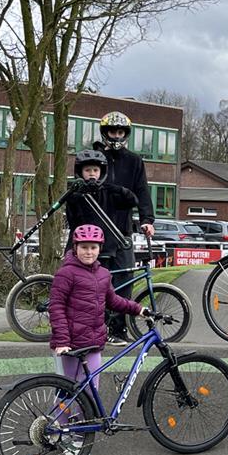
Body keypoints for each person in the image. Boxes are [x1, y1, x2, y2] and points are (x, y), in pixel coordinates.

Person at [48, 224, 150, 455]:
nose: (88, 252)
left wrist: (138, 309)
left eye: (93, 247)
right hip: (70, 346)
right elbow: (56, 307)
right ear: (75, 248)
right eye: (84, 247)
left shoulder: (103, 274)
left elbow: (113, 301)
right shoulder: (66, 273)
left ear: (99, 249)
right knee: (68, 392)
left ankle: (78, 439)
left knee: (90, 394)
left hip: (93, 345)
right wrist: (62, 341)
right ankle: (58, 432)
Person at [92, 111, 155, 346]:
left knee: (125, 279)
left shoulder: (134, 161)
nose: (116, 136)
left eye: (120, 132)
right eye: (112, 131)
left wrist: (147, 219)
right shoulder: (95, 158)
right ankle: (98, 329)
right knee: (98, 280)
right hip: (98, 228)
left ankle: (118, 329)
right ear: (105, 132)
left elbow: (143, 192)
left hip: (123, 230)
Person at [64, 150, 138, 260]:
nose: (92, 173)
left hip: (105, 248)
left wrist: (120, 190)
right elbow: (72, 220)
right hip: (81, 247)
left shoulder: (109, 192)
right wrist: (75, 196)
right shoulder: (75, 194)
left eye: (95, 170)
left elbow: (132, 201)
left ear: (101, 172)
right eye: (87, 170)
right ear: (80, 171)